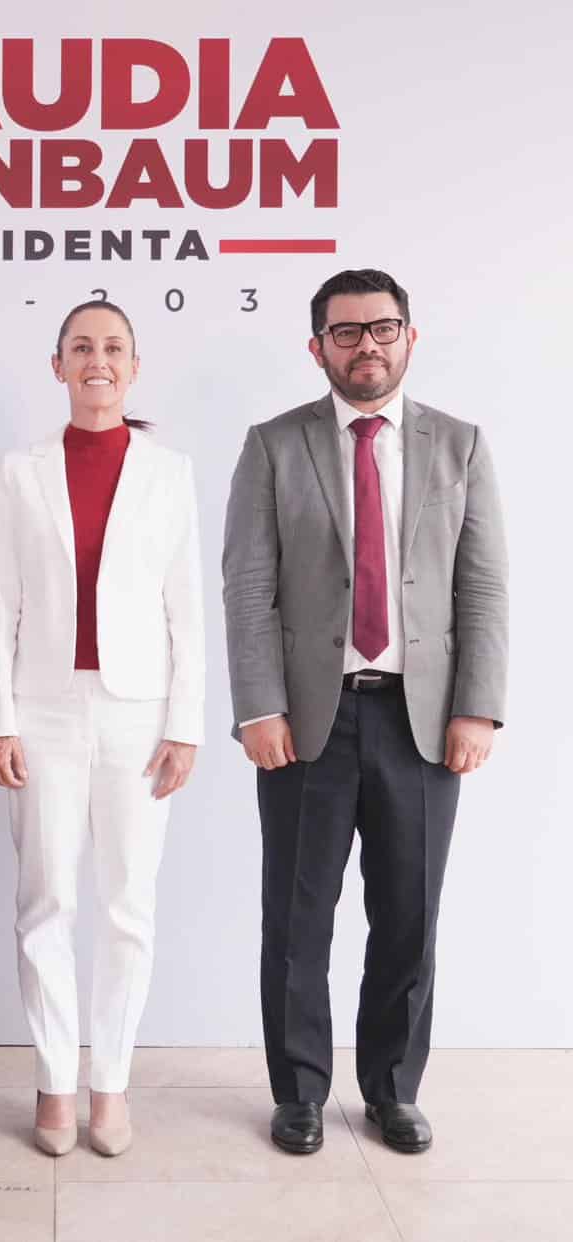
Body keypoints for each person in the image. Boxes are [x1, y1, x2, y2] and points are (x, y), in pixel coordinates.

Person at [222, 268, 508, 1156]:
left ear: (409, 337)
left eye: (381, 328)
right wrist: (258, 705)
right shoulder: (274, 444)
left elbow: (483, 587)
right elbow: (248, 586)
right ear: (318, 348)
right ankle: (300, 1093)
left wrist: (478, 708)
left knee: (409, 919)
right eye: (345, 332)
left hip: (422, 725)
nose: (366, 345)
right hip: (308, 722)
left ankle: (392, 1090)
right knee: (297, 921)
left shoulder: (460, 444)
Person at [0, 300, 205, 1157]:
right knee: (46, 901)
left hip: (138, 713)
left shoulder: (170, 472)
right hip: (41, 709)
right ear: (59, 365)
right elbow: (1, 600)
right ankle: (53, 1081)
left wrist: (185, 724)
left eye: (113, 347)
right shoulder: (21, 470)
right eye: (81, 347)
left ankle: (110, 1082)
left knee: (126, 906)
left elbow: (187, 608)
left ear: (134, 367)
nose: (97, 360)